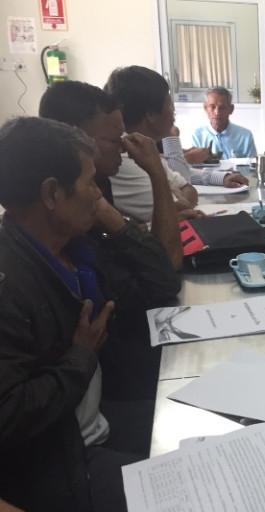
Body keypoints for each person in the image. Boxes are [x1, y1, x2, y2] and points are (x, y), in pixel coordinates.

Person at [0, 117, 181, 511]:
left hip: (93, 421)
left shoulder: (75, 247)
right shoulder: (10, 285)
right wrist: (80, 358)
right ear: (52, 193)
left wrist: (117, 225)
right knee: (195, 489)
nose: (99, 194)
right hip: (59, 464)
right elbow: (7, 415)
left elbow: (162, 282)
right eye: (89, 183)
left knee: (204, 422)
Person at [39, 80, 185, 270]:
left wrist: (140, 230)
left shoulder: (101, 181)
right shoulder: (79, 197)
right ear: (77, 139)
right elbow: (168, 264)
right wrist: (156, 173)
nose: (123, 148)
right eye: (113, 140)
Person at [103, 66, 248, 214]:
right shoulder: (123, 158)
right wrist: (171, 138)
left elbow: (187, 186)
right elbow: (175, 208)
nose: (174, 111)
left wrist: (220, 178)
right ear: (151, 114)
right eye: (170, 104)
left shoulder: (142, 146)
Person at [191, 86, 257, 159]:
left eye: (222, 107)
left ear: (231, 109)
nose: (217, 112)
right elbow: (194, 164)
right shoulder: (198, 135)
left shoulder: (245, 136)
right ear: (205, 108)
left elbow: (253, 164)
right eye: (212, 107)